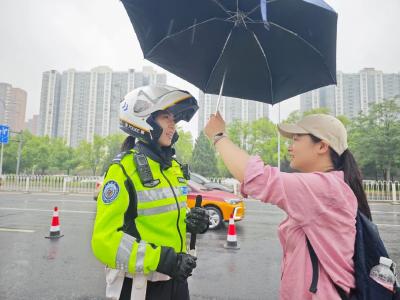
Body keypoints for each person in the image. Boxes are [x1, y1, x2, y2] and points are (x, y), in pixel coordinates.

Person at [205, 112, 372, 300]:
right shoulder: (327, 187)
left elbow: (256, 177)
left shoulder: (325, 188)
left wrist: (218, 136)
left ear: (322, 146)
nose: (290, 146)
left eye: (296, 139)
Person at [92, 85, 210, 300]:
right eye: (167, 118)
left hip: (177, 282)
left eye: (174, 119)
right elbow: (104, 241)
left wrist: (190, 221)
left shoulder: (173, 168)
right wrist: (162, 260)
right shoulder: (123, 170)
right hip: (141, 287)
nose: (173, 125)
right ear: (143, 119)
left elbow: (162, 218)